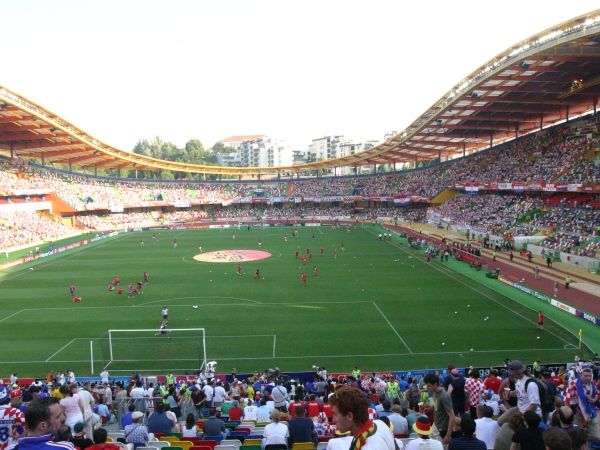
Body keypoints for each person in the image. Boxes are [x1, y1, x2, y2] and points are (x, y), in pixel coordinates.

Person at [328, 386, 396, 449]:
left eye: (335, 414)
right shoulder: (380, 424)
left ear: (349, 416)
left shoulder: (369, 446)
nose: (333, 419)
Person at [564, 366, 599, 441]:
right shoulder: (573, 384)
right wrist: (568, 414)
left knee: (597, 436)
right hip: (577, 413)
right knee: (576, 436)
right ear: (580, 375)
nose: (588, 378)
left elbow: (597, 394)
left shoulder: (593, 384)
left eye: (590, 376)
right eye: (586, 376)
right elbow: (567, 400)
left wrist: (594, 399)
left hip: (591, 412)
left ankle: (587, 440)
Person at [424, 373, 456, 445]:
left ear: (435, 384)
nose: (427, 388)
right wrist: (429, 409)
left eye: (429, 386)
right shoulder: (435, 392)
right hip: (435, 426)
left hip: (443, 430)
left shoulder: (444, 397)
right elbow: (436, 404)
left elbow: (452, 416)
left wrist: (448, 435)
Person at [0, 386, 26, 450]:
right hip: (13, 446)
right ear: (8, 397)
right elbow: (29, 424)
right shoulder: (15, 412)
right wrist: (20, 432)